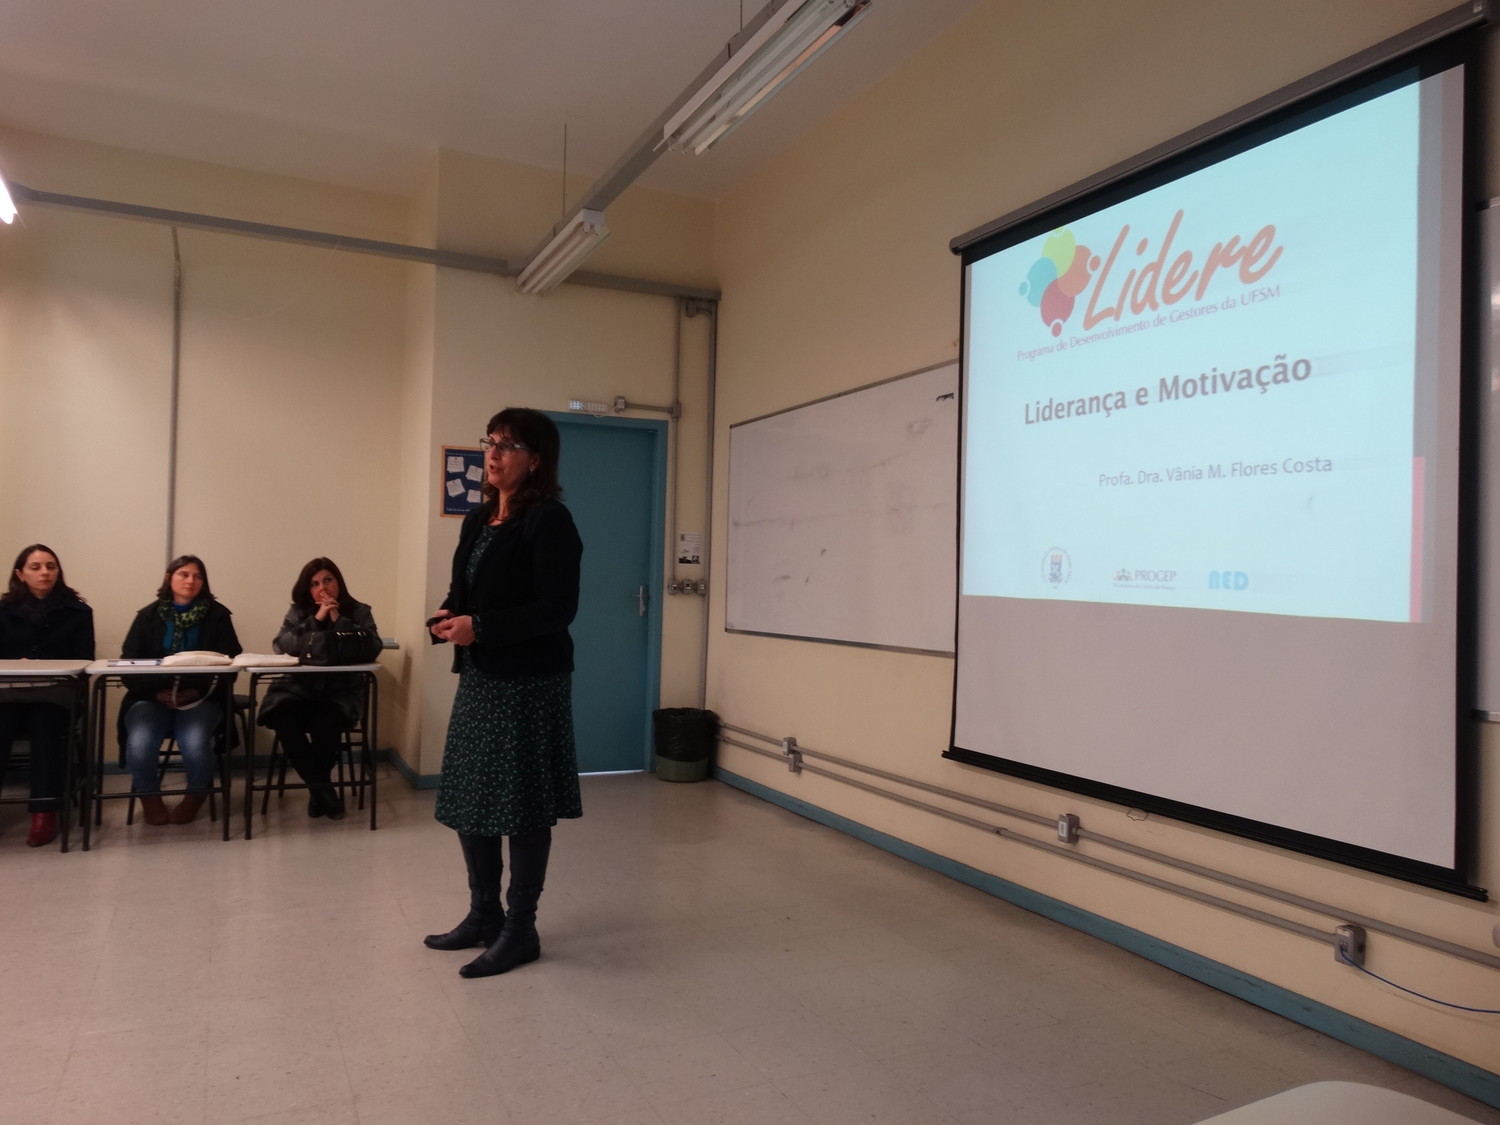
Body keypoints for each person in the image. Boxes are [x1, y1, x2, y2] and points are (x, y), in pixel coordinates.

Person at [425, 407, 584, 979]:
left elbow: (558, 609)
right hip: (482, 677)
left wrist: (483, 627)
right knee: (472, 796)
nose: (492, 453)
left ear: (535, 460)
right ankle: (484, 914)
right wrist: (449, 617)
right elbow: (464, 592)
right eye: (490, 441)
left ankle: (521, 930)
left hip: (529, 683)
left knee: (522, 803)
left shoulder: (549, 521)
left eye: (508, 445)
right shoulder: (477, 519)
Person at [119, 555, 242, 825]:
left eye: (197, 576)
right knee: (140, 742)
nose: (191, 581)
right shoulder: (148, 616)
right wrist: (156, 693)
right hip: (150, 698)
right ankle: (149, 796)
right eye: (184, 574)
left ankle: (196, 795)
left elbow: (232, 663)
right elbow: (128, 666)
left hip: (202, 698)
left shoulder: (218, 616)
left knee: (195, 741)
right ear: (169, 579)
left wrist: (196, 693)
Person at [257, 557, 381, 820]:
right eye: (314, 584)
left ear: (338, 582)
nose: (322, 588)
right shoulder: (298, 612)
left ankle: (318, 793)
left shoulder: (359, 611)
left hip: (339, 694)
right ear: (307, 589)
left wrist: (337, 618)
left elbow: (372, 647)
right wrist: (317, 618)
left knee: (326, 724)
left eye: (328, 580)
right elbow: (282, 646)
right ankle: (323, 791)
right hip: (295, 691)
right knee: (283, 719)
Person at [0, 545, 95, 847]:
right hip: (8, 694)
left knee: (44, 723)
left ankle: (44, 810)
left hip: (55, 695)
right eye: (36, 567)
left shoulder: (77, 612)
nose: (44, 573)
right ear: (20, 574)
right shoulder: (3, 610)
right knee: (1, 724)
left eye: (51, 566)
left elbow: (85, 660)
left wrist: (44, 664)